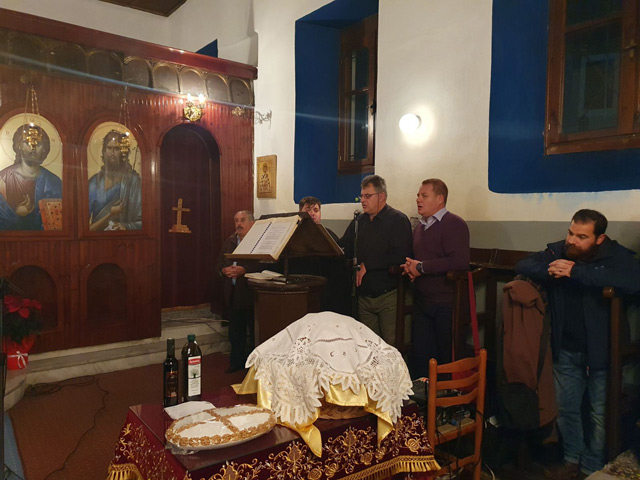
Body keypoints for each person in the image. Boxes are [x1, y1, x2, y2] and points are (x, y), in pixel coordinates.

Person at [515, 209, 640, 479]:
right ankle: (572, 459)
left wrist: (577, 272)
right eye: (571, 233)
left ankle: (592, 467)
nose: (572, 240)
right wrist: (553, 269)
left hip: (602, 350)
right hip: (566, 347)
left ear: (599, 239)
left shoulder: (615, 255)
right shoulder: (559, 251)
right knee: (565, 408)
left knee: (599, 413)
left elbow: (633, 280)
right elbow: (524, 265)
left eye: (582, 236)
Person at [401, 179, 470, 377]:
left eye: (424, 196)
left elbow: (459, 262)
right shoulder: (420, 227)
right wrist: (410, 268)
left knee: (444, 358)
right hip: (423, 301)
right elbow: (418, 259)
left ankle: (444, 396)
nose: (418, 200)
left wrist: (421, 267)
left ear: (440, 199)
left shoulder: (454, 224)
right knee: (421, 357)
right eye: (418, 195)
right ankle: (423, 395)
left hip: (446, 303)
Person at [339, 175, 412, 346]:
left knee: (391, 346)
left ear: (382, 196)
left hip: (388, 294)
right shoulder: (360, 221)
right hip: (364, 295)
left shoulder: (397, 220)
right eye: (361, 196)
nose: (363, 200)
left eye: (368, 196)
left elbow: (402, 254)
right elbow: (345, 246)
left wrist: (368, 265)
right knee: (368, 346)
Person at [216, 210, 259, 373]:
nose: (238, 224)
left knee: (253, 332)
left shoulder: (258, 241)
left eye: (242, 220)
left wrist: (244, 270)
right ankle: (236, 362)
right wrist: (224, 270)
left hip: (250, 294)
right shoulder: (230, 241)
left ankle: (253, 366)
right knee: (235, 331)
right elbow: (219, 263)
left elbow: (264, 265)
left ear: (252, 223)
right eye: (236, 221)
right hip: (233, 293)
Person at [0, 124, 62, 230]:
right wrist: (17, 215)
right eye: (27, 142)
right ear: (19, 146)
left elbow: (57, 223)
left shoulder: (53, 181)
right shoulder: (3, 179)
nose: (33, 148)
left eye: (38, 143)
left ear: (44, 148)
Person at [295, 196, 351, 315]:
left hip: (327, 291)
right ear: (300, 212)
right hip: (300, 289)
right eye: (308, 210)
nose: (312, 213)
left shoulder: (329, 235)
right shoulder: (293, 236)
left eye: (316, 210)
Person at [88, 129, 142, 231]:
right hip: (96, 239)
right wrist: (110, 214)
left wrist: (126, 226)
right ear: (104, 152)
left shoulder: (133, 182)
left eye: (117, 149)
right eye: (109, 148)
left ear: (123, 153)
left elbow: (144, 221)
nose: (112, 153)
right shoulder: (94, 183)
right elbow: (84, 226)